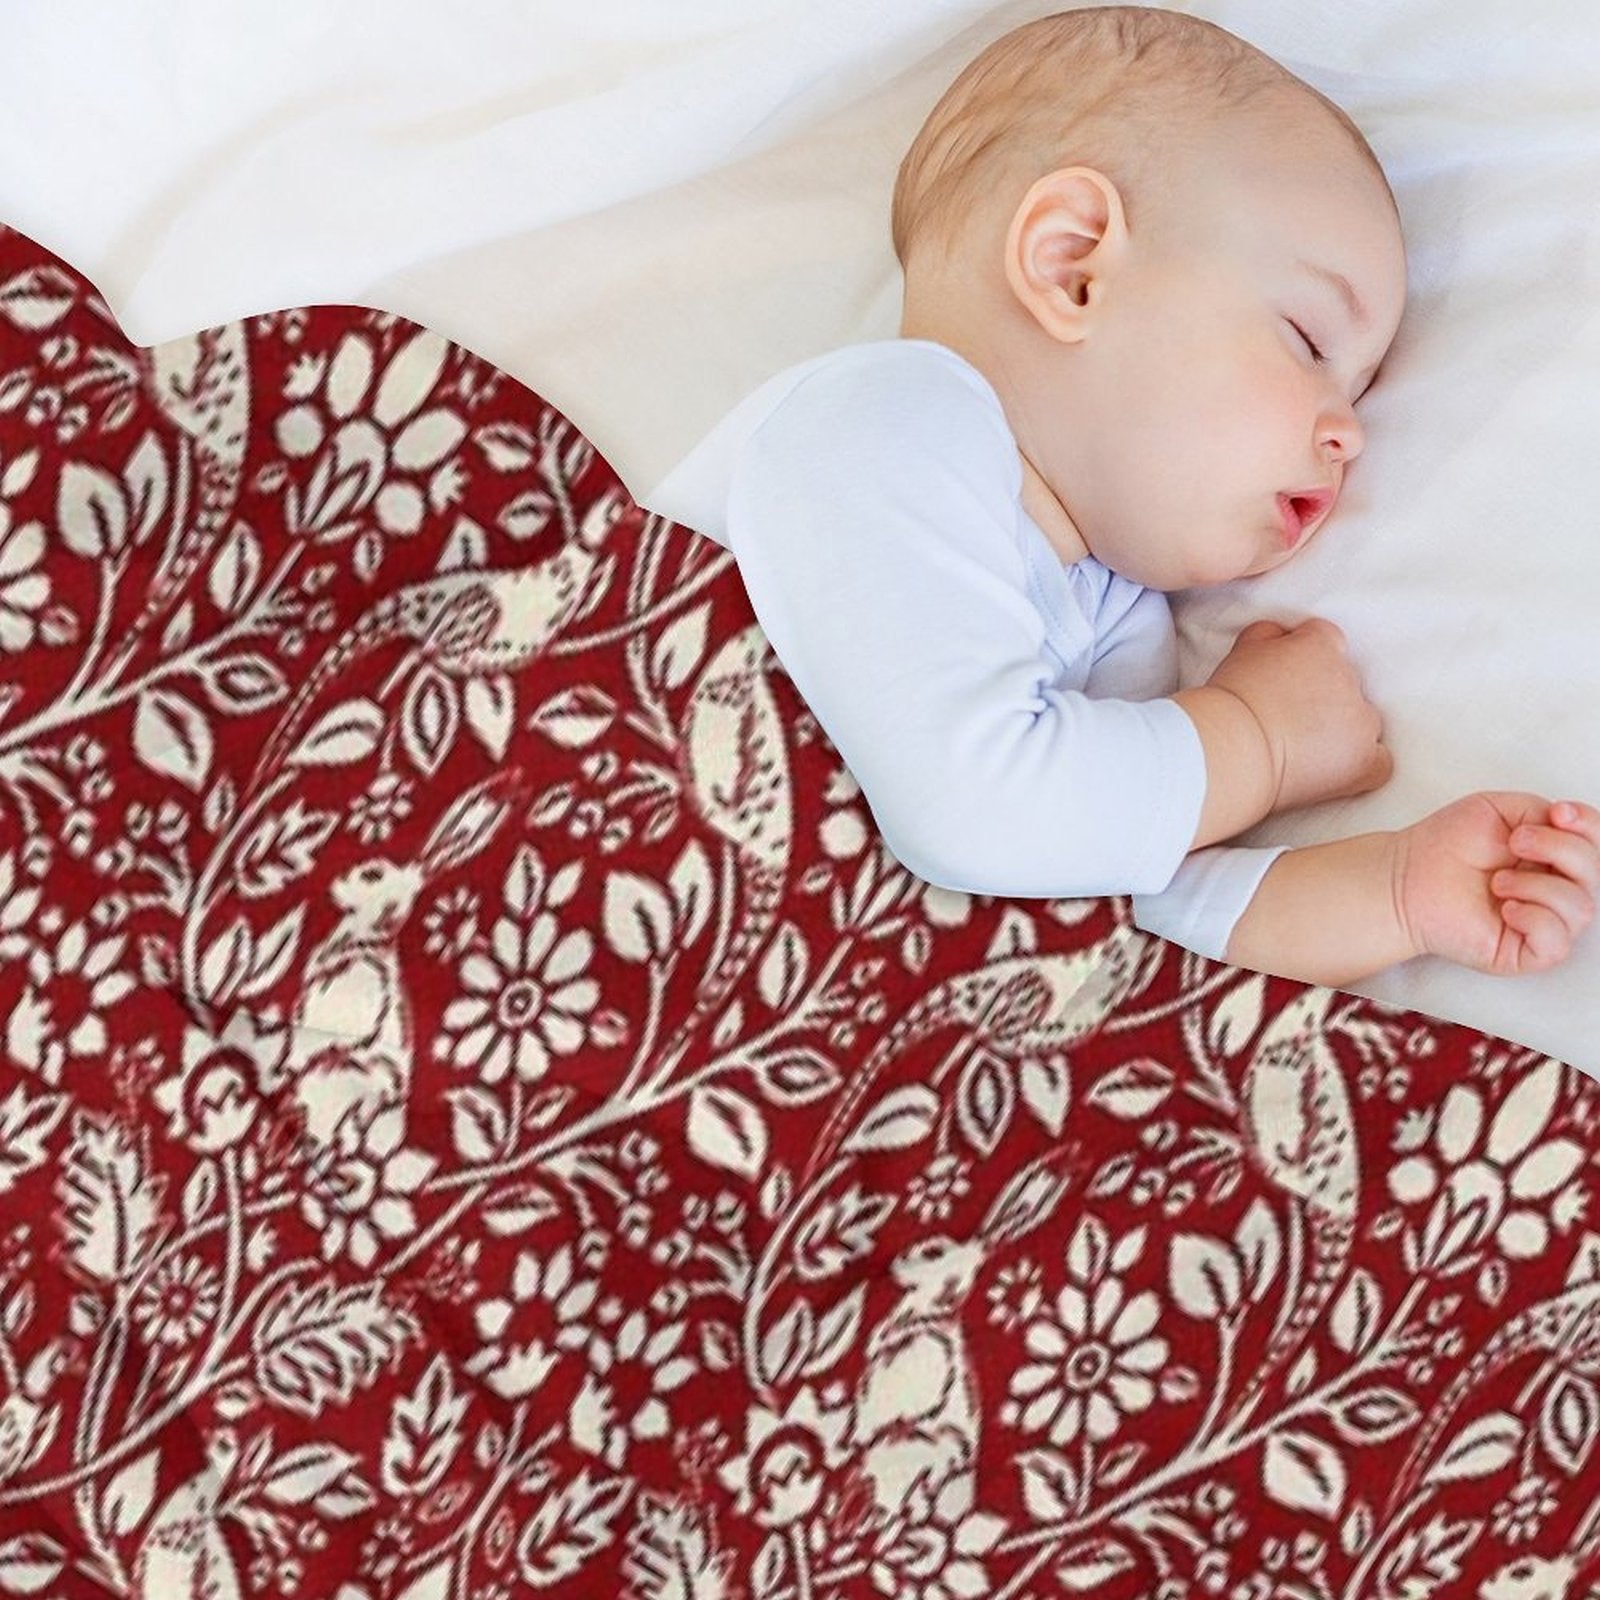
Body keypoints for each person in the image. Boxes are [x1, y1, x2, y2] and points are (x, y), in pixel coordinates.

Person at [650, 5, 1599, 987]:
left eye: (1357, 394)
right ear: (1072, 268)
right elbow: (975, 809)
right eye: (1309, 341)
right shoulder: (878, 423)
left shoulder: (1111, 612)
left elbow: (1123, 905)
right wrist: (1257, 739)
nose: (1347, 432)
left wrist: (1398, 892)